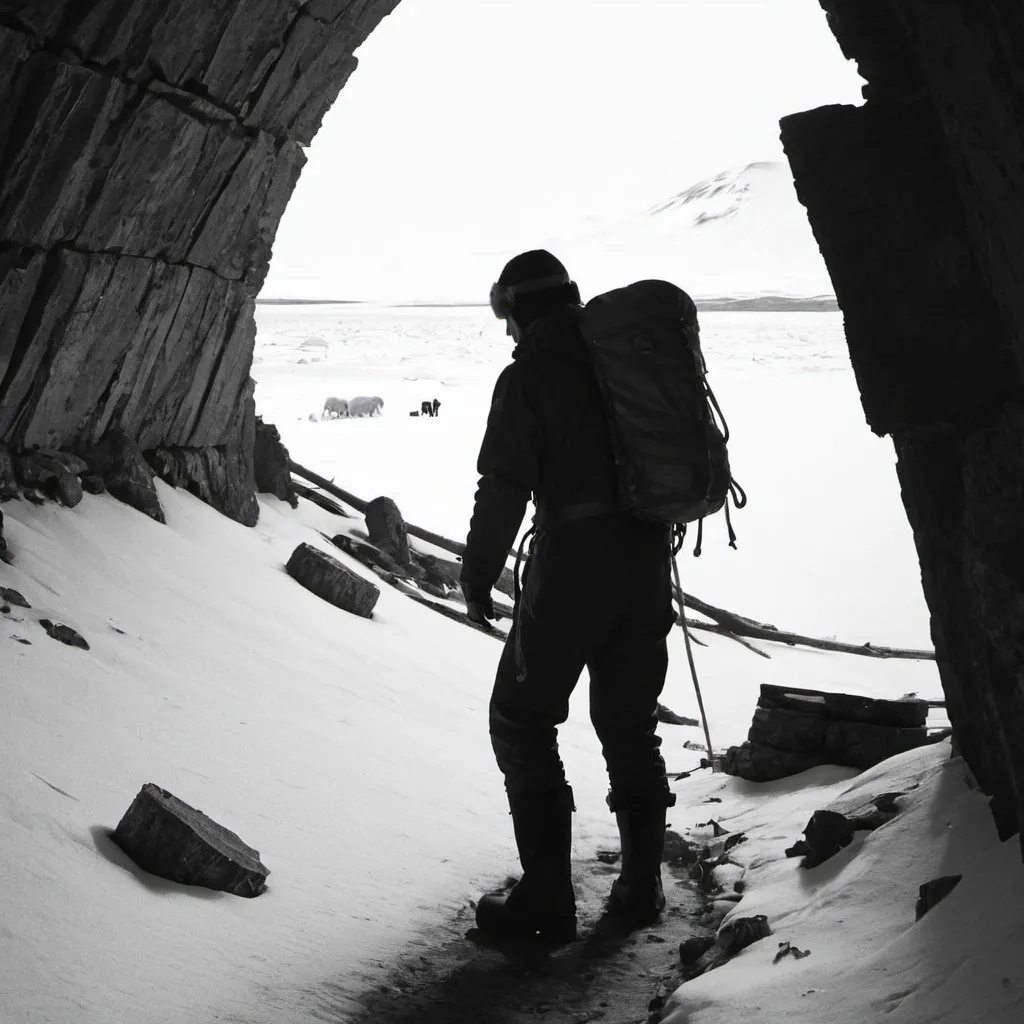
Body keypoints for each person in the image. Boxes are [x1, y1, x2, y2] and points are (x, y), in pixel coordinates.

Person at [461, 250, 677, 944]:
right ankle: (641, 885)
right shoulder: (621, 364)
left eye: (506, 314)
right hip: (645, 560)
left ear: (521, 308)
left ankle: (547, 902)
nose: (506, 332)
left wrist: (477, 573)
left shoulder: (529, 379)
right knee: (628, 723)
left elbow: (503, 486)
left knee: (521, 721)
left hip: (573, 570)